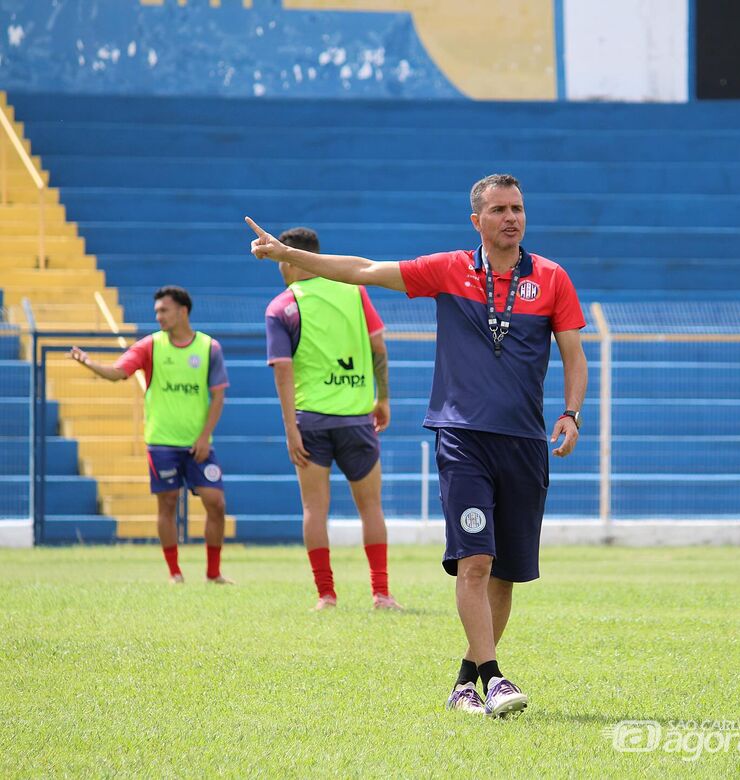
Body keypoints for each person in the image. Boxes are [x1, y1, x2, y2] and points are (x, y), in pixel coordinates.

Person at [246, 173, 588, 717]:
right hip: (462, 438)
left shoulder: (551, 278)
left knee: (506, 572)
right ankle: (495, 677)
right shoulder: (449, 269)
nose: (511, 218)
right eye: (498, 209)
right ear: (476, 220)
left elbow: (574, 353)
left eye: (517, 208)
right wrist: (290, 255)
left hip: (525, 441)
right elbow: (361, 270)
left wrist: (571, 413)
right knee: (475, 560)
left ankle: (465, 684)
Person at [265, 226, 402, 611]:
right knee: (371, 507)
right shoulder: (354, 291)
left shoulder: (281, 307)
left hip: (310, 420)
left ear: (289, 259)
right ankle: (381, 593)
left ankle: (326, 595)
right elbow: (378, 345)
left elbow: (282, 370)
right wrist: (383, 398)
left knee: (313, 509)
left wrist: (290, 427)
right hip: (357, 417)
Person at [70, 285, 233, 585]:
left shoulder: (210, 348)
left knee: (216, 503)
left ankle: (213, 573)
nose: (158, 316)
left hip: (199, 443)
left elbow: (218, 397)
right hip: (161, 442)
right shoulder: (150, 346)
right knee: (167, 503)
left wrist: (203, 437)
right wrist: (90, 363)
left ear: (183, 311)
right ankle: (174, 573)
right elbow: (119, 373)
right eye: (156, 311)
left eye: (164, 310)